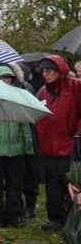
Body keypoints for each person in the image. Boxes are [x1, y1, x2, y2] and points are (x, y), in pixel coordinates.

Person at [0, 65, 34, 228]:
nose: (5, 81)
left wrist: (27, 147)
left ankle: (16, 214)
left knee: (16, 184)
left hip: (16, 149)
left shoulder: (17, 98)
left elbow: (24, 124)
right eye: (2, 78)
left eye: (8, 78)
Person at [36, 56, 81, 231]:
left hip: (70, 146)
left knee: (70, 184)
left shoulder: (76, 87)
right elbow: (39, 116)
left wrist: (77, 134)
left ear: (60, 71)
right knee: (52, 185)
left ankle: (73, 220)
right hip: (48, 146)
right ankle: (55, 218)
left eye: (49, 71)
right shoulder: (43, 92)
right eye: (44, 72)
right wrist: (41, 135)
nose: (46, 75)